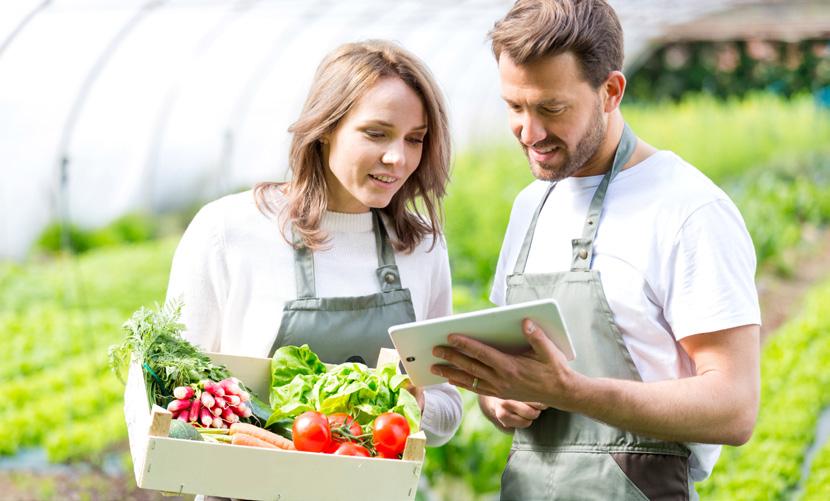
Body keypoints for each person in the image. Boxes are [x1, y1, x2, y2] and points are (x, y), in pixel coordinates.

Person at [430, 1, 761, 499]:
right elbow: (507, 373)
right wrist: (500, 401)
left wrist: (572, 393)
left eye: (551, 108)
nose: (529, 132)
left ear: (610, 92)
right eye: (514, 107)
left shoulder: (688, 209)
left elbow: (734, 407)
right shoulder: (531, 206)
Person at [166, 40, 462, 451]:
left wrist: (417, 404)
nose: (398, 157)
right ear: (325, 129)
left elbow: (448, 406)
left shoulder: (421, 246)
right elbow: (171, 388)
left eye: (415, 139)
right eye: (376, 133)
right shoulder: (229, 231)